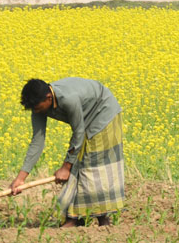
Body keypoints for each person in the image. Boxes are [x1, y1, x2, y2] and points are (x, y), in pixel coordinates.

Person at [12, 78, 124, 227]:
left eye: (38, 108)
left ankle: (100, 220)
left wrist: (66, 167)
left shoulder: (69, 99)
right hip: (85, 121)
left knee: (91, 167)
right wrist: (21, 178)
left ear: (48, 98)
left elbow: (78, 132)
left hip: (103, 113)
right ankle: (77, 219)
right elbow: (37, 142)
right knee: (79, 165)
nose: (36, 112)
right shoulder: (38, 105)